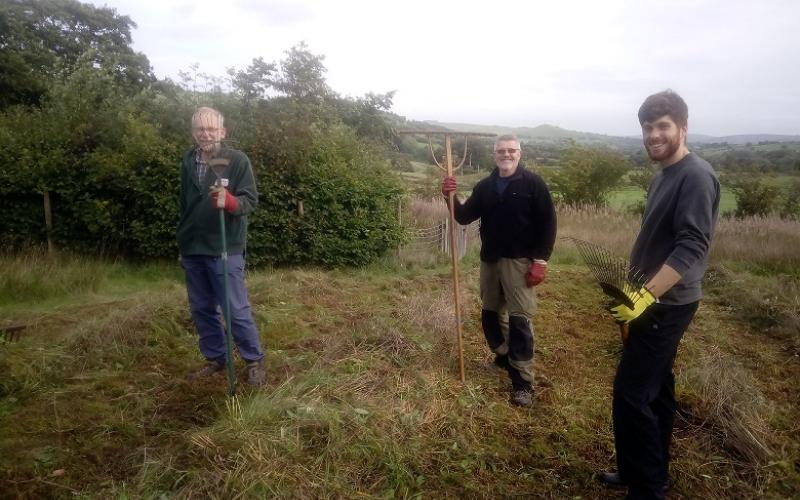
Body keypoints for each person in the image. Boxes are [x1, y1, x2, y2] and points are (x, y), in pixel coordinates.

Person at [599, 90, 720, 499]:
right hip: (653, 299)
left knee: (631, 394)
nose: (653, 134)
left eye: (663, 126)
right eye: (648, 127)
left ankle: (647, 488)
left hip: (666, 304)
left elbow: (691, 246)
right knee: (657, 390)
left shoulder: (696, 175)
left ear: (682, 128)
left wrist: (643, 298)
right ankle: (644, 470)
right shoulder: (665, 174)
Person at [441, 134, 556, 407]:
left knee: (520, 321)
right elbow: (463, 217)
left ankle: (523, 383)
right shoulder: (486, 186)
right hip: (490, 259)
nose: (506, 154)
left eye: (511, 150)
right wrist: (449, 197)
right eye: (501, 151)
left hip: (520, 261)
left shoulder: (533, 185)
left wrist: (540, 261)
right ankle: (504, 357)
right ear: (495, 154)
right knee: (491, 315)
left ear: (520, 152)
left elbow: (548, 224)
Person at [177, 106, 266, 386]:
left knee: (234, 308)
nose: (205, 134)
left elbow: (250, 201)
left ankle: (253, 360)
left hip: (225, 247)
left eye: (211, 129)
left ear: (222, 132)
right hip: (193, 246)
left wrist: (230, 202)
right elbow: (184, 205)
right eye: (200, 129)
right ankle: (216, 358)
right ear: (193, 132)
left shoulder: (237, 161)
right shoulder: (188, 161)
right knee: (202, 308)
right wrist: (183, 242)